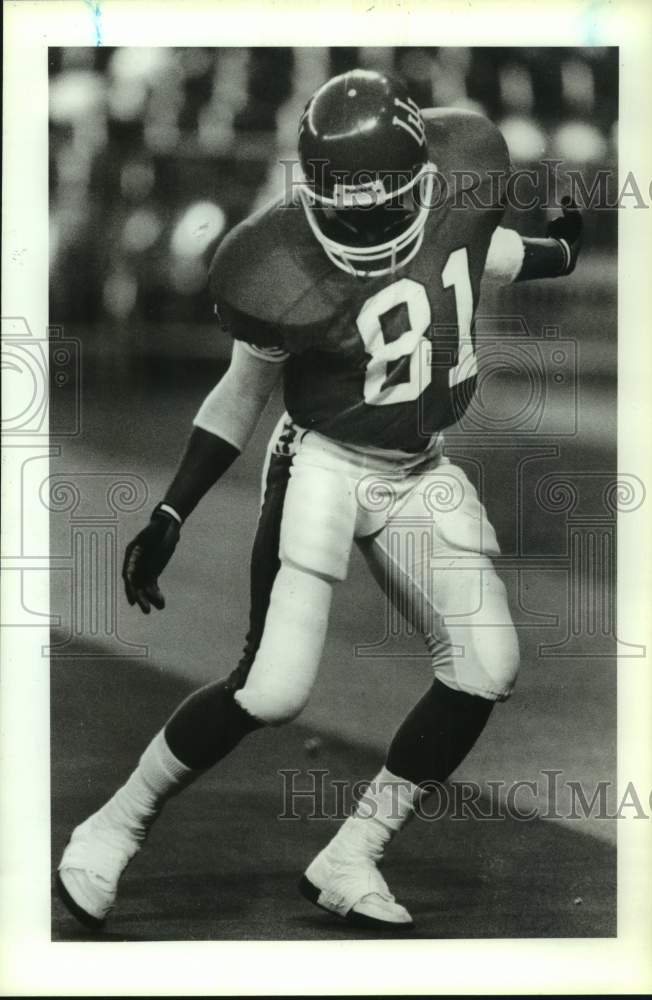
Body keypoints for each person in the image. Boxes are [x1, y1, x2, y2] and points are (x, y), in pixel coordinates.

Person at [56, 69, 582, 932]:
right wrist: (171, 511)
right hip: (326, 460)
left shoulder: (465, 169)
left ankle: (350, 856)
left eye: (385, 202)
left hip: (419, 465)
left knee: (487, 667)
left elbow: (472, 250)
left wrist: (562, 252)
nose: (365, 221)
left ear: (425, 177)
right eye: (345, 202)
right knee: (271, 689)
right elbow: (240, 393)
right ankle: (111, 829)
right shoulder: (272, 258)